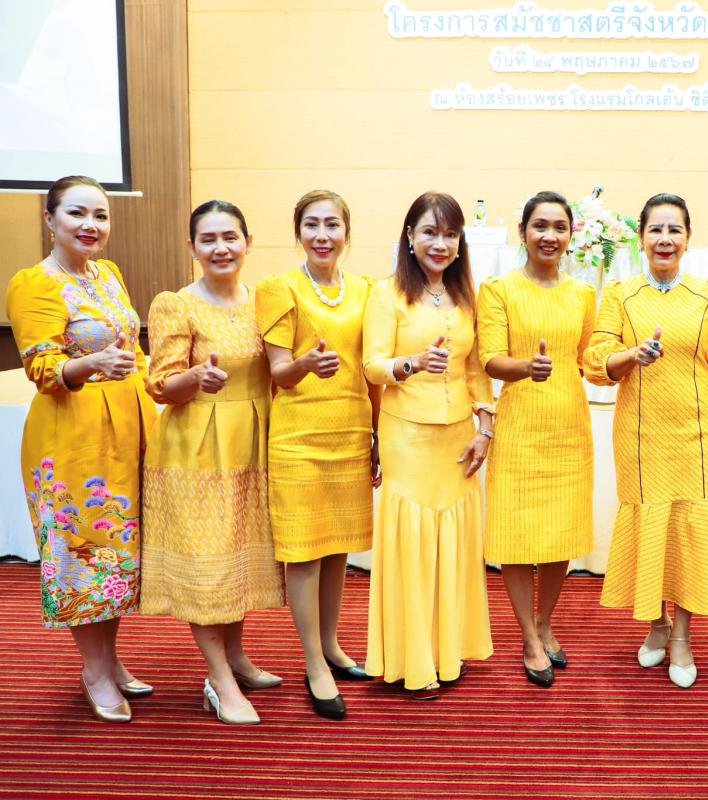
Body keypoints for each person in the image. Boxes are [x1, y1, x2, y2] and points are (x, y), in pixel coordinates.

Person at [7, 175, 157, 722]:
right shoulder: (34, 283)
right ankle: (94, 671)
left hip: (126, 428)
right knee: (82, 554)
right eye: (76, 213)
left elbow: (130, 350)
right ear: (49, 219)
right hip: (70, 438)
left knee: (117, 556)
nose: (90, 225)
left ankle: (110, 660)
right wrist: (91, 363)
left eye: (100, 215)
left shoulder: (107, 274)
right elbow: (42, 368)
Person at [583, 193, 708, 689]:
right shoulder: (621, 294)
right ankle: (656, 624)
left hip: (697, 435)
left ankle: (683, 637)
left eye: (675, 230)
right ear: (641, 237)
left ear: (688, 239)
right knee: (649, 527)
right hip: (640, 435)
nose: (665, 239)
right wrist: (631, 355)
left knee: (689, 531)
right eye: (656, 229)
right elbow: (597, 360)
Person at [141, 200, 286, 725]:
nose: (221, 248)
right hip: (197, 450)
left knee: (237, 559)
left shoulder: (264, 300)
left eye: (230, 237)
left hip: (254, 442)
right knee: (209, 565)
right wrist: (196, 377)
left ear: (248, 242)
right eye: (208, 239)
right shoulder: (175, 304)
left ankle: (237, 657)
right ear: (192, 247)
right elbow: (161, 385)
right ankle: (219, 679)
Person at [362, 191, 494, 699]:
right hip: (408, 437)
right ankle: (413, 661)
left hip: (457, 437)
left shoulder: (465, 297)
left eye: (450, 234)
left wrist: (485, 428)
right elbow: (372, 365)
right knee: (413, 547)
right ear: (410, 237)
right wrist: (412, 364)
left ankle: (447, 651)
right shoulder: (388, 293)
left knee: (453, 544)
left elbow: (476, 369)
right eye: (430, 232)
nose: (441, 243)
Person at [256, 190, 378, 720]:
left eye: (332, 224)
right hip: (299, 436)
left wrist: (377, 433)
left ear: (347, 232)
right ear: (298, 232)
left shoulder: (367, 290)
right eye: (312, 225)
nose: (322, 235)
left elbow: (370, 368)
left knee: (337, 549)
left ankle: (332, 645)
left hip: (350, 429)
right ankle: (313, 662)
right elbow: (279, 373)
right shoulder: (278, 288)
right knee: (305, 551)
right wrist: (306, 363)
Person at [477, 191, 596, 687]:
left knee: (559, 532)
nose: (549, 236)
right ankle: (528, 635)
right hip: (520, 423)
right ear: (523, 232)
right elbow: (489, 358)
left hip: (568, 421)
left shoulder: (583, 294)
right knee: (516, 534)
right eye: (539, 226)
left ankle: (546, 623)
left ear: (571, 235)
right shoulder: (498, 290)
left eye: (559, 227)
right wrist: (528, 367)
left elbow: (589, 358)